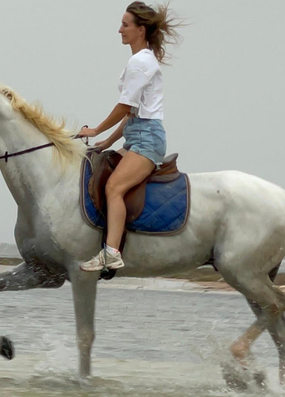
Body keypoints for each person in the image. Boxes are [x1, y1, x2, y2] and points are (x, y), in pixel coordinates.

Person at [79, 1, 181, 272]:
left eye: (125, 25)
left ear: (141, 30)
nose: (119, 30)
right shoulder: (140, 60)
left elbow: (125, 106)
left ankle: (112, 253)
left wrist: (96, 130)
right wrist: (108, 142)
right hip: (136, 135)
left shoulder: (140, 62)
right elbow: (132, 115)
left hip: (147, 140)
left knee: (114, 187)